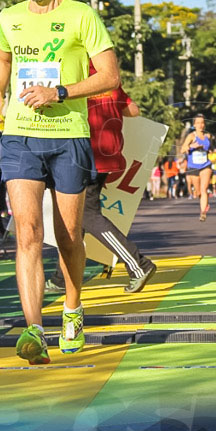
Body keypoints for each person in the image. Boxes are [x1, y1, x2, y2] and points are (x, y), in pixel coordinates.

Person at [0, 0, 118, 365]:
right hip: (20, 134)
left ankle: (73, 309)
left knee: (68, 237)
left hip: (68, 135)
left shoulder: (82, 15)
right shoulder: (10, 18)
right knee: (27, 235)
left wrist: (60, 91)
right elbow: (3, 58)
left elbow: (111, 76)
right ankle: (34, 330)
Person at [45, 76, 156, 295]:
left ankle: (138, 263)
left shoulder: (74, 78)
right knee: (75, 219)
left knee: (87, 214)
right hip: (110, 156)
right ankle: (61, 278)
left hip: (84, 155)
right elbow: (133, 110)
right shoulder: (110, 78)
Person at [180, 115, 214, 220]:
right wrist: (191, 146)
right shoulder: (191, 136)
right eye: (198, 123)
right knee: (198, 192)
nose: (201, 125)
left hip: (205, 165)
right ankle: (205, 204)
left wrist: (210, 150)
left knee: (204, 189)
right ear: (194, 124)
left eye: (202, 123)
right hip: (193, 167)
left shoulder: (208, 136)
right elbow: (182, 149)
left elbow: (210, 147)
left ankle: (203, 212)